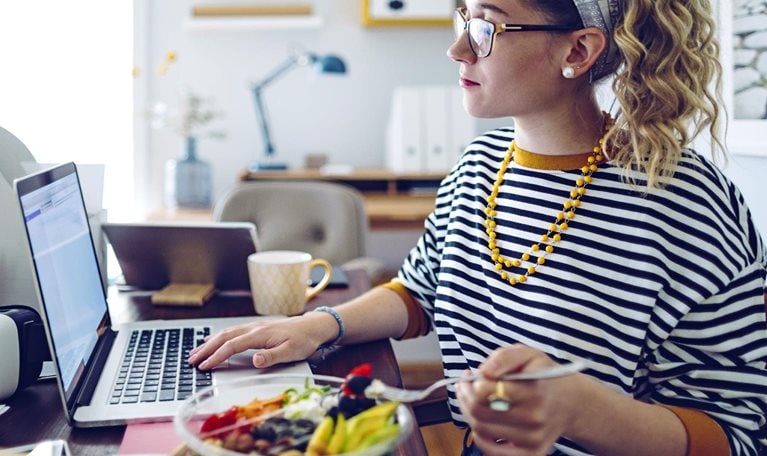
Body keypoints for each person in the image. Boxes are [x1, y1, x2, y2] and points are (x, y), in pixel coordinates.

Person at [190, 0, 767, 454]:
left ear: (579, 50)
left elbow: (740, 433)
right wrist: (321, 325)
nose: (457, 47)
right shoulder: (480, 166)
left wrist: (582, 412)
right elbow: (420, 290)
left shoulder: (687, 201)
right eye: (464, 16)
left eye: (487, 26)